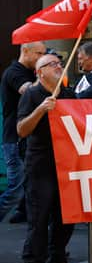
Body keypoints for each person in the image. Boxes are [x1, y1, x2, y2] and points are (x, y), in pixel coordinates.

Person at [17, 53, 78, 263]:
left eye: (59, 64)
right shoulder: (32, 95)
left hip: (66, 164)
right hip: (41, 165)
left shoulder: (69, 94)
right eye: (52, 65)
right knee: (39, 218)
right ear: (39, 72)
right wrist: (41, 110)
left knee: (65, 218)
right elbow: (21, 129)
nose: (58, 67)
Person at [0, 41, 45, 223]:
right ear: (25, 51)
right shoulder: (14, 72)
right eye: (38, 53)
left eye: (44, 53)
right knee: (16, 191)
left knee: (30, 189)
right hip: (14, 140)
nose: (41, 57)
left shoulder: (29, 71)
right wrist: (46, 74)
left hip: (24, 139)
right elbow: (28, 91)